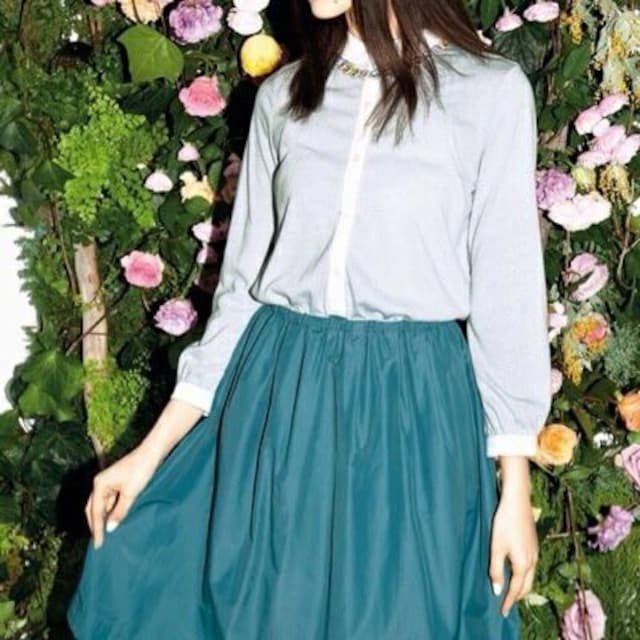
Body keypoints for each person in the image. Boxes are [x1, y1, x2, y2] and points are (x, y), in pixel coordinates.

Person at [66, 0, 552, 637]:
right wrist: (150, 452)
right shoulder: (284, 96)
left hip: (412, 412)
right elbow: (241, 292)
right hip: (281, 402)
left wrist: (514, 488)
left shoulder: (489, 92)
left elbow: (507, 291)